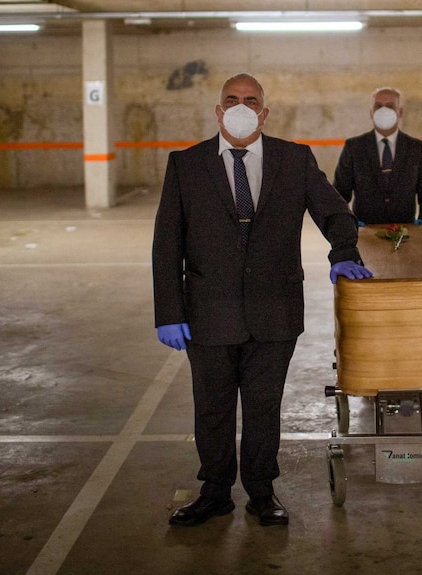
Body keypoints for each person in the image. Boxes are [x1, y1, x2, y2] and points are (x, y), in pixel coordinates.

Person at [152, 73, 372, 528]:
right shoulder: (186, 165)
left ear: (264, 112)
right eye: (231, 99)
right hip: (207, 313)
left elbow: (334, 211)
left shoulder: (294, 160)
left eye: (250, 100)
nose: (240, 105)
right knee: (211, 408)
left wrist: (343, 252)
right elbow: (166, 243)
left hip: (274, 312)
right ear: (217, 111)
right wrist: (169, 312)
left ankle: (261, 491)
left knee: (263, 407)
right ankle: (214, 492)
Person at [333, 87, 422, 225]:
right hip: (365, 232)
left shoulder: (416, 149)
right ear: (371, 113)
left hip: (405, 232)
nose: (384, 111)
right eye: (378, 106)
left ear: (400, 112)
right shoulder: (354, 148)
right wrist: (345, 221)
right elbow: (339, 193)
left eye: (390, 106)